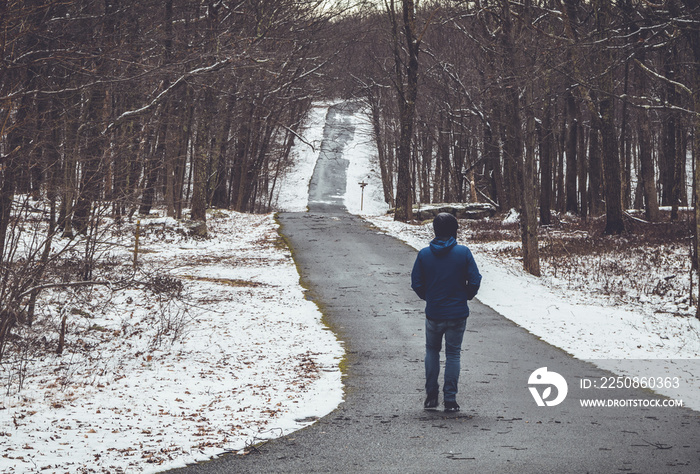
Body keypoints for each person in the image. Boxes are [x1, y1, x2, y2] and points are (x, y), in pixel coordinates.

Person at [411, 213, 481, 412]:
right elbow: (475, 280)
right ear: (454, 230)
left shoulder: (424, 254)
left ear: (435, 230)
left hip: (434, 313)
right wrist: (466, 296)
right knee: (453, 355)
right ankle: (450, 399)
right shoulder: (463, 253)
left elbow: (416, 283)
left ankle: (431, 396)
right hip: (457, 313)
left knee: (432, 351)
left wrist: (429, 297)